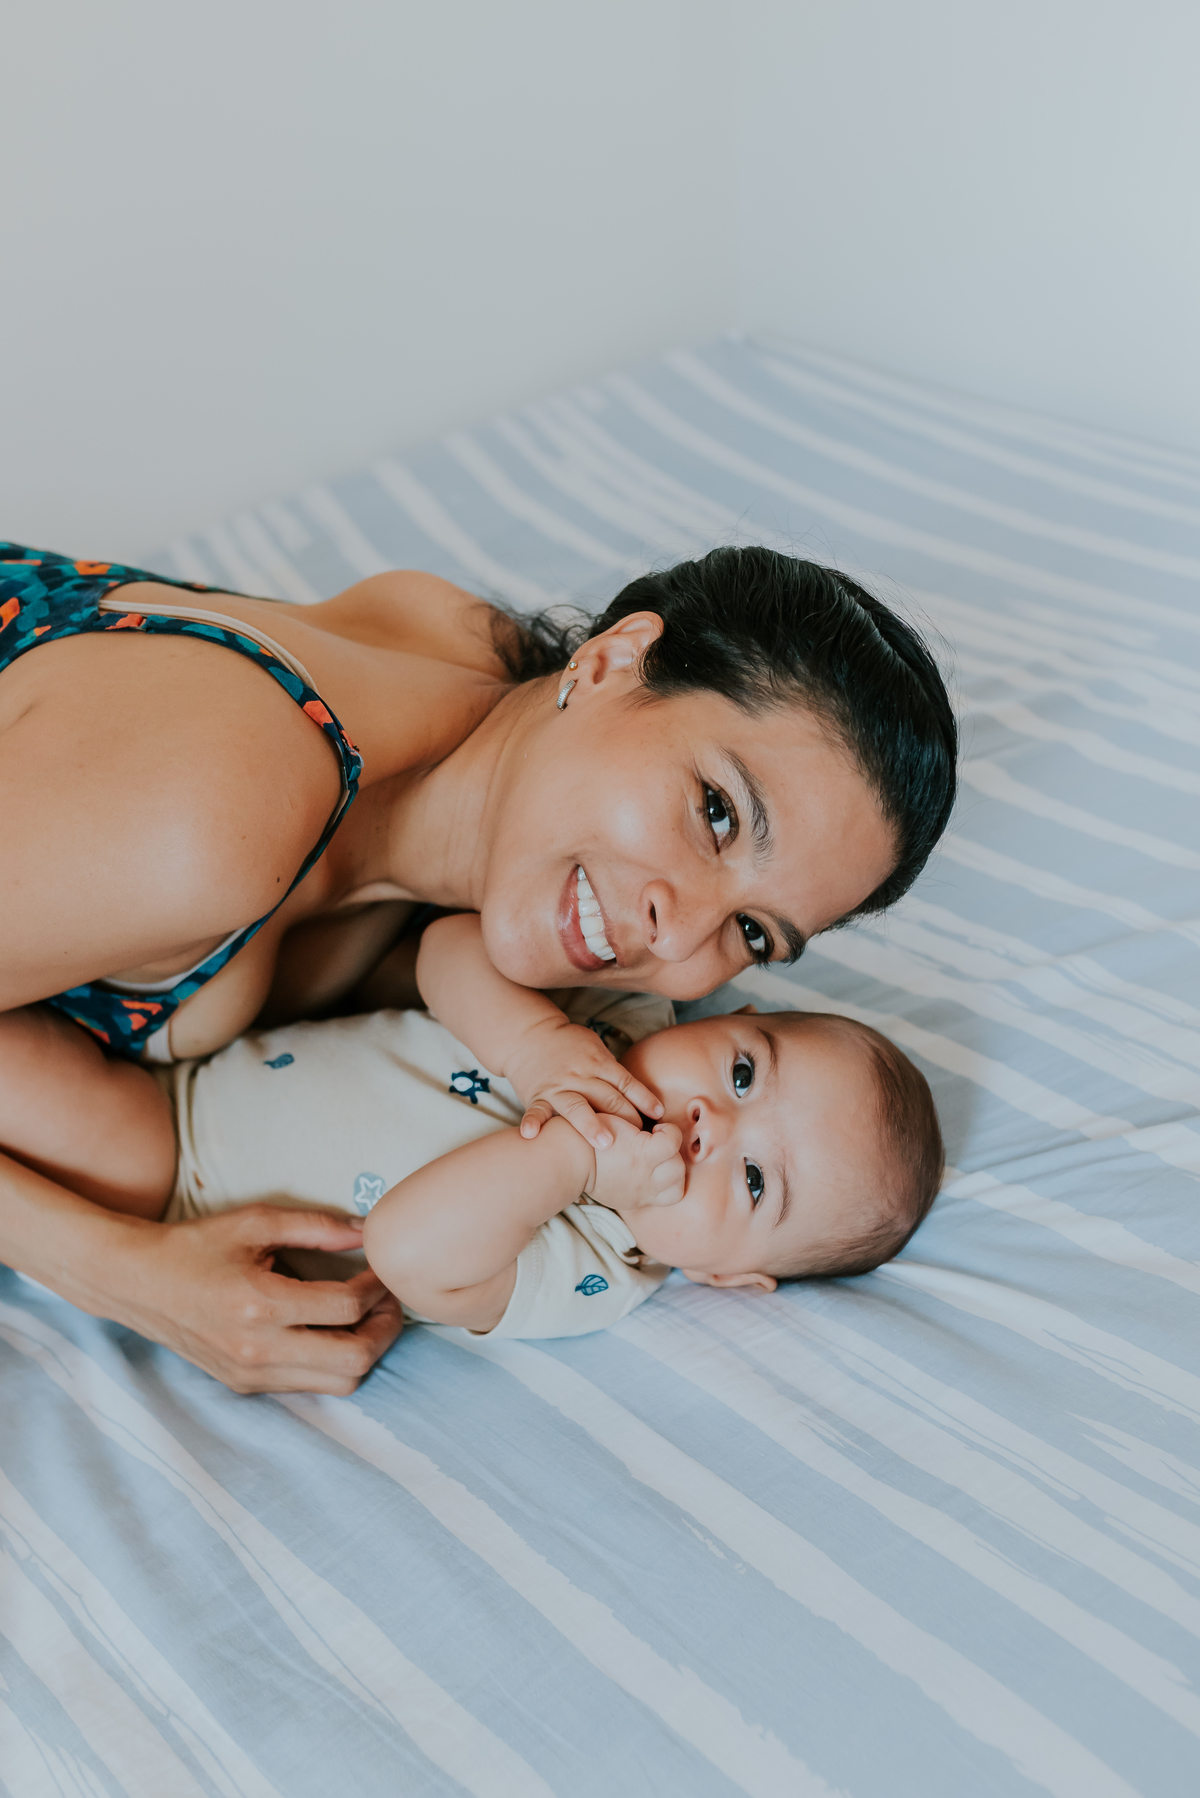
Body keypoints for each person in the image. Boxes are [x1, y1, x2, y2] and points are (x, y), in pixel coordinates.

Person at [0, 541, 956, 1389]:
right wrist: (124, 1273)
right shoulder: (202, 831)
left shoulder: (477, 670)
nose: (677, 934)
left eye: (753, 933)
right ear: (612, 661)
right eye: (715, 811)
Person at [0, 916, 944, 1339]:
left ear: (727, 1278)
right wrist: (542, 1049)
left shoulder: (593, 1269)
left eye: (753, 1183)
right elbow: (449, 947)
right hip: (190, 1059)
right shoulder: (616, 1029)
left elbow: (412, 1250)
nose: (712, 1124)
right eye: (741, 1071)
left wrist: (578, 1160)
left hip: (175, 1174)